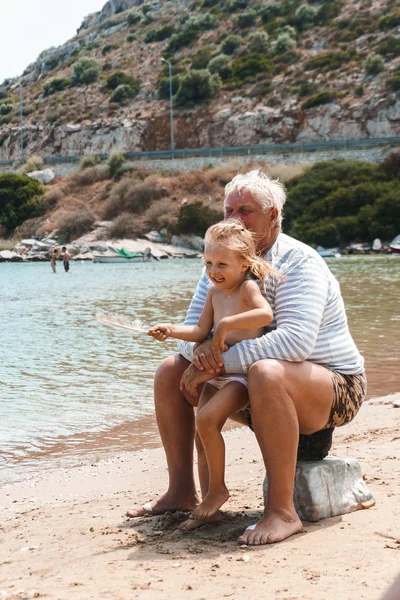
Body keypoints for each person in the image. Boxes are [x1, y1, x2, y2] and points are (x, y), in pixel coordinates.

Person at [126, 170, 366, 546]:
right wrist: (197, 354)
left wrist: (216, 362)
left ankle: (282, 513)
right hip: (251, 384)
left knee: (266, 372)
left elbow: (295, 344)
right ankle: (181, 493)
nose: (235, 219)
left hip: (332, 387)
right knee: (171, 370)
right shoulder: (222, 262)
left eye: (247, 210)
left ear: (274, 217)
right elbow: (192, 334)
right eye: (229, 210)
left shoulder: (299, 262)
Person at [148, 220, 277, 519]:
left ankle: (218, 490)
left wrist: (228, 324)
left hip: (242, 378)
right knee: (202, 434)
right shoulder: (213, 293)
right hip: (216, 377)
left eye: (222, 264)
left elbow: (265, 314)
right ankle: (210, 501)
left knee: (206, 421)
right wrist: (170, 329)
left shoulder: (247, 288)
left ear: (245, 263)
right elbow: (198, 330)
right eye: (208, 263)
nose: (213, 271)